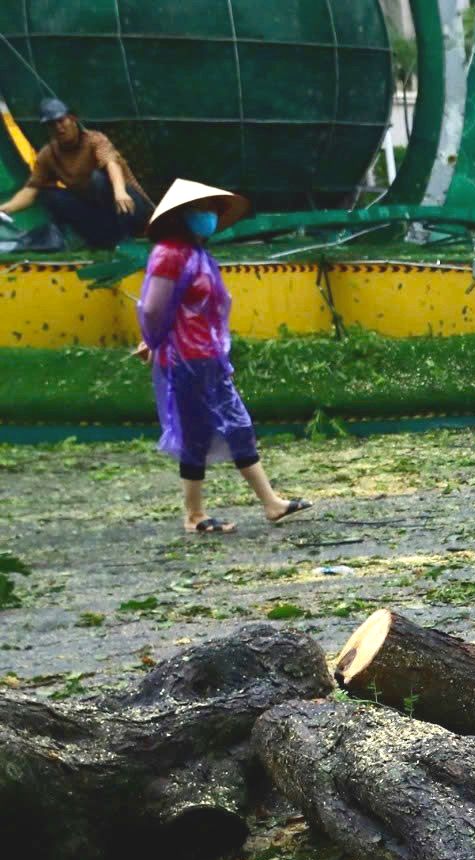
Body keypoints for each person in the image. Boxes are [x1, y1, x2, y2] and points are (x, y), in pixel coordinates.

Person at [134, 178, 310, 535]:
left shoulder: (197, 255)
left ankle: (271, 503)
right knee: (197, 432)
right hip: (185, 359)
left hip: (208, 358)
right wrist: (152, 340)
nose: (210, 215)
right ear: (182, 215)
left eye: (213, 209)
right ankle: (194, 514)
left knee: (237, 425)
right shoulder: (169, 254)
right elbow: (153, 308)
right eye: (202, 209)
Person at [0, 98, 151, 250]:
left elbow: (111, 163)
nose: (59, 128)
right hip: (98, 214)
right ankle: (97, 239)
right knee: (49, 194)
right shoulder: (48, 154)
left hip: (128, 207)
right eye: (52, 124)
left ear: (73, 119)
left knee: (97, 179)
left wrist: (119, 191)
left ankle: (127, 238)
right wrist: (6, 208)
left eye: (61, 121)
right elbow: (31, 189)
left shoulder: (94, 140)